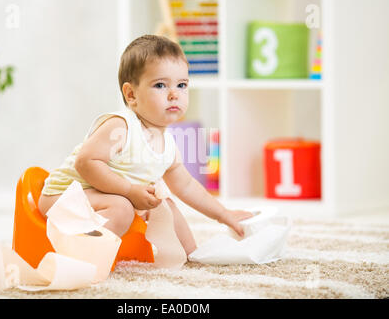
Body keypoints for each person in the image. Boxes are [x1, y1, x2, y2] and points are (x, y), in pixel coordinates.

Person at [38, 34, 253, 257]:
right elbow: (86, 162)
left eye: (182, 85)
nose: (174, 94)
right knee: (121, 208)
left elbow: (187, 187)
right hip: (64, 198)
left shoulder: (167, 142)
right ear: (131, 95)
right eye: (160, 85)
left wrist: (223, 214)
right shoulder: (121, 127)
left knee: (165, 204)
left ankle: (193, 255)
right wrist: (130, 191)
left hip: (102, 200)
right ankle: (84, 257)